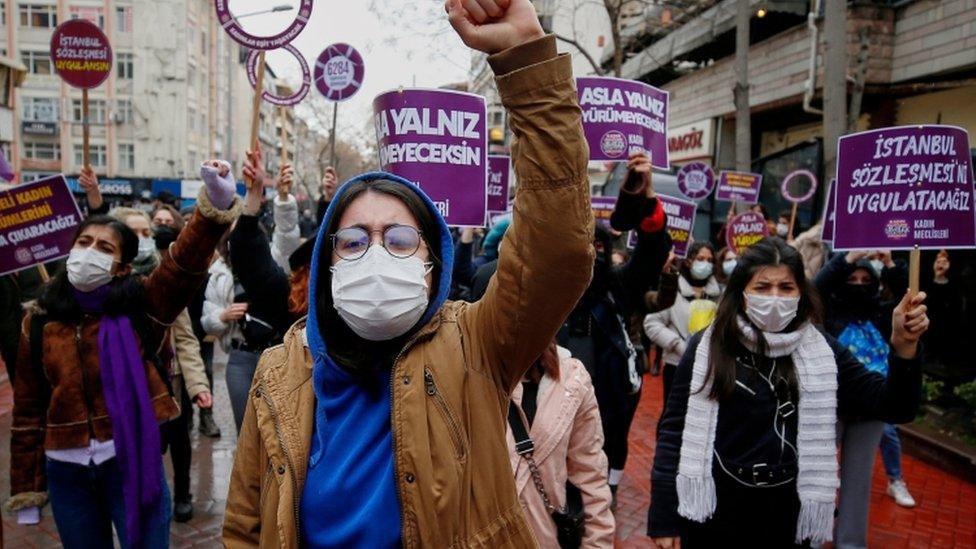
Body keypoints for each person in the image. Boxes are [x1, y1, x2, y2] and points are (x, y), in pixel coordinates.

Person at [222, 2, 594, 546]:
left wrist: (525, 63)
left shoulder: (477, 345)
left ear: (431, 261)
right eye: (352, 241)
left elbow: (559, 246)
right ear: (327, 262)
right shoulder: (281, 370)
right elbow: (245, 524)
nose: (375, 253)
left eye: (398, 240)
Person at [7, 161, 241, 548]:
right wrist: (28, 490)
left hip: (131, 460)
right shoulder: (38, 322)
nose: (89, 253)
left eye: (104, 247)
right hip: (67, 472)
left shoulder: (142, 306)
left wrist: (214, 205)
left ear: (122, 266)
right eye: (83, 243)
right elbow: (29, 410)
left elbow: (182, 266)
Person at [649, 238, 927, 548]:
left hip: (789, 517)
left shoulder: (822, 350)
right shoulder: (707, 347)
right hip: (714, 511)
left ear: (800, 293)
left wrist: (904, 348)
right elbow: (674, 430)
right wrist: (663, 517)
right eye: (762, 287)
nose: (774, 298)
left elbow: (895, 406)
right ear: (741, 293)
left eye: (785, 288)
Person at [558, 151, 672, 509]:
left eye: (599, 246)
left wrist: (646, 195)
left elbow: (652, 254)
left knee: (608, 460)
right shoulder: (546, 295)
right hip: (555, 405)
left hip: (610, 399)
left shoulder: (617, 288)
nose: (591, 254)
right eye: (583, 246)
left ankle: (608, 493)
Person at [815, 249, 916, 547]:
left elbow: (908, 296)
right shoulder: (827, 311)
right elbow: (816, 288)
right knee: (817, 476)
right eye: (852, 279)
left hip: (870, 409)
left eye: (865, 280)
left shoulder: (883, 313)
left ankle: (850, 542)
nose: (859, 285)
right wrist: (847, 257)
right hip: (828, 407)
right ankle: (811, 535)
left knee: (858, 481)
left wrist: (888, 263)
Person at [506, 341, 615, 547]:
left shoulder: (572, 380)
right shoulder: (466, 375)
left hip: (545, 537)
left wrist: (596, 544)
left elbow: (589, 473)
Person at [644, 242, 722, 409]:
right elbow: (652, 322)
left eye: (710, 260)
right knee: (674, 412)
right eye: (700, 259)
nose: (705, 264)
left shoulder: (719, 294)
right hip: (677, 365)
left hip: (709, 366)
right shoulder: (673, 290)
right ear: (688, 261)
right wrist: (677, 345)